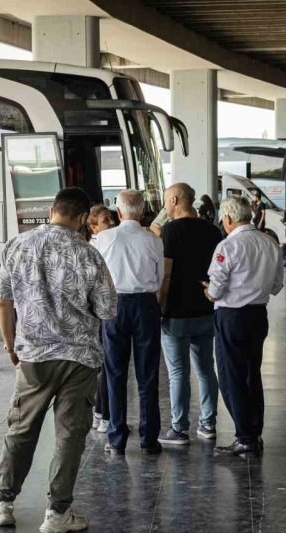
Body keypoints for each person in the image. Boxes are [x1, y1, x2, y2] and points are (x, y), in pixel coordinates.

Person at [0, 187, 117, 533]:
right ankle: (58, 513)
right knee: (70, 434)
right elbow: (107, 309)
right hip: (79, 358)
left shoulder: (18, 245)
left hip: (33, 356)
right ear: (83, 217)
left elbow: (2, 302)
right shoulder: (88, 253)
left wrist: (11, 346)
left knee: (22, 429)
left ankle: (2, 504)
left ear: (53, 210)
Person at [202, 196, 284, 457]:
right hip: (258, 316)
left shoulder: (227, 245)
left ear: (227, 218)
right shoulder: (270, 243)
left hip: (231, 317)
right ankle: (254, 432)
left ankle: (244, 436)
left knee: (231, 375)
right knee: (251, 373)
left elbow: (215, 290)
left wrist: (210, 293)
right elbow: (276, 286)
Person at [93, 190, 165, 454]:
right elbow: (158, 280)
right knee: (148, 374)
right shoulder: (153, 240)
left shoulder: (103, 238)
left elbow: (96, 277)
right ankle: (149, 439)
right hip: (145, 305)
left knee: (114, 372)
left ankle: (117, 437)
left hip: (114, 306)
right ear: (143, 211)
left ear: (118, 212)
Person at [156, 183, 222, 446]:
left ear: (174, 199)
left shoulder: (169, 232)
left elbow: (166, 273)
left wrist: (158, 305)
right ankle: (208, 424)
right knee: (206, 369)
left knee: (178, 372)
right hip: (206, 310)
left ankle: (179, 428)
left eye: (165, 201)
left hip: (175, 313)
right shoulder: (213, 231)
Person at [87, 205, 118, 433]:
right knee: (105, 366)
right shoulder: (96, 246)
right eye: (106, 221)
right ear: (93, 226)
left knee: (104, 366)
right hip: (99, 313)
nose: (112, 223)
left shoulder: (103, 242)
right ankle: (105, 414)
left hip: (101, 310)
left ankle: (100, 412)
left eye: (112, 219)